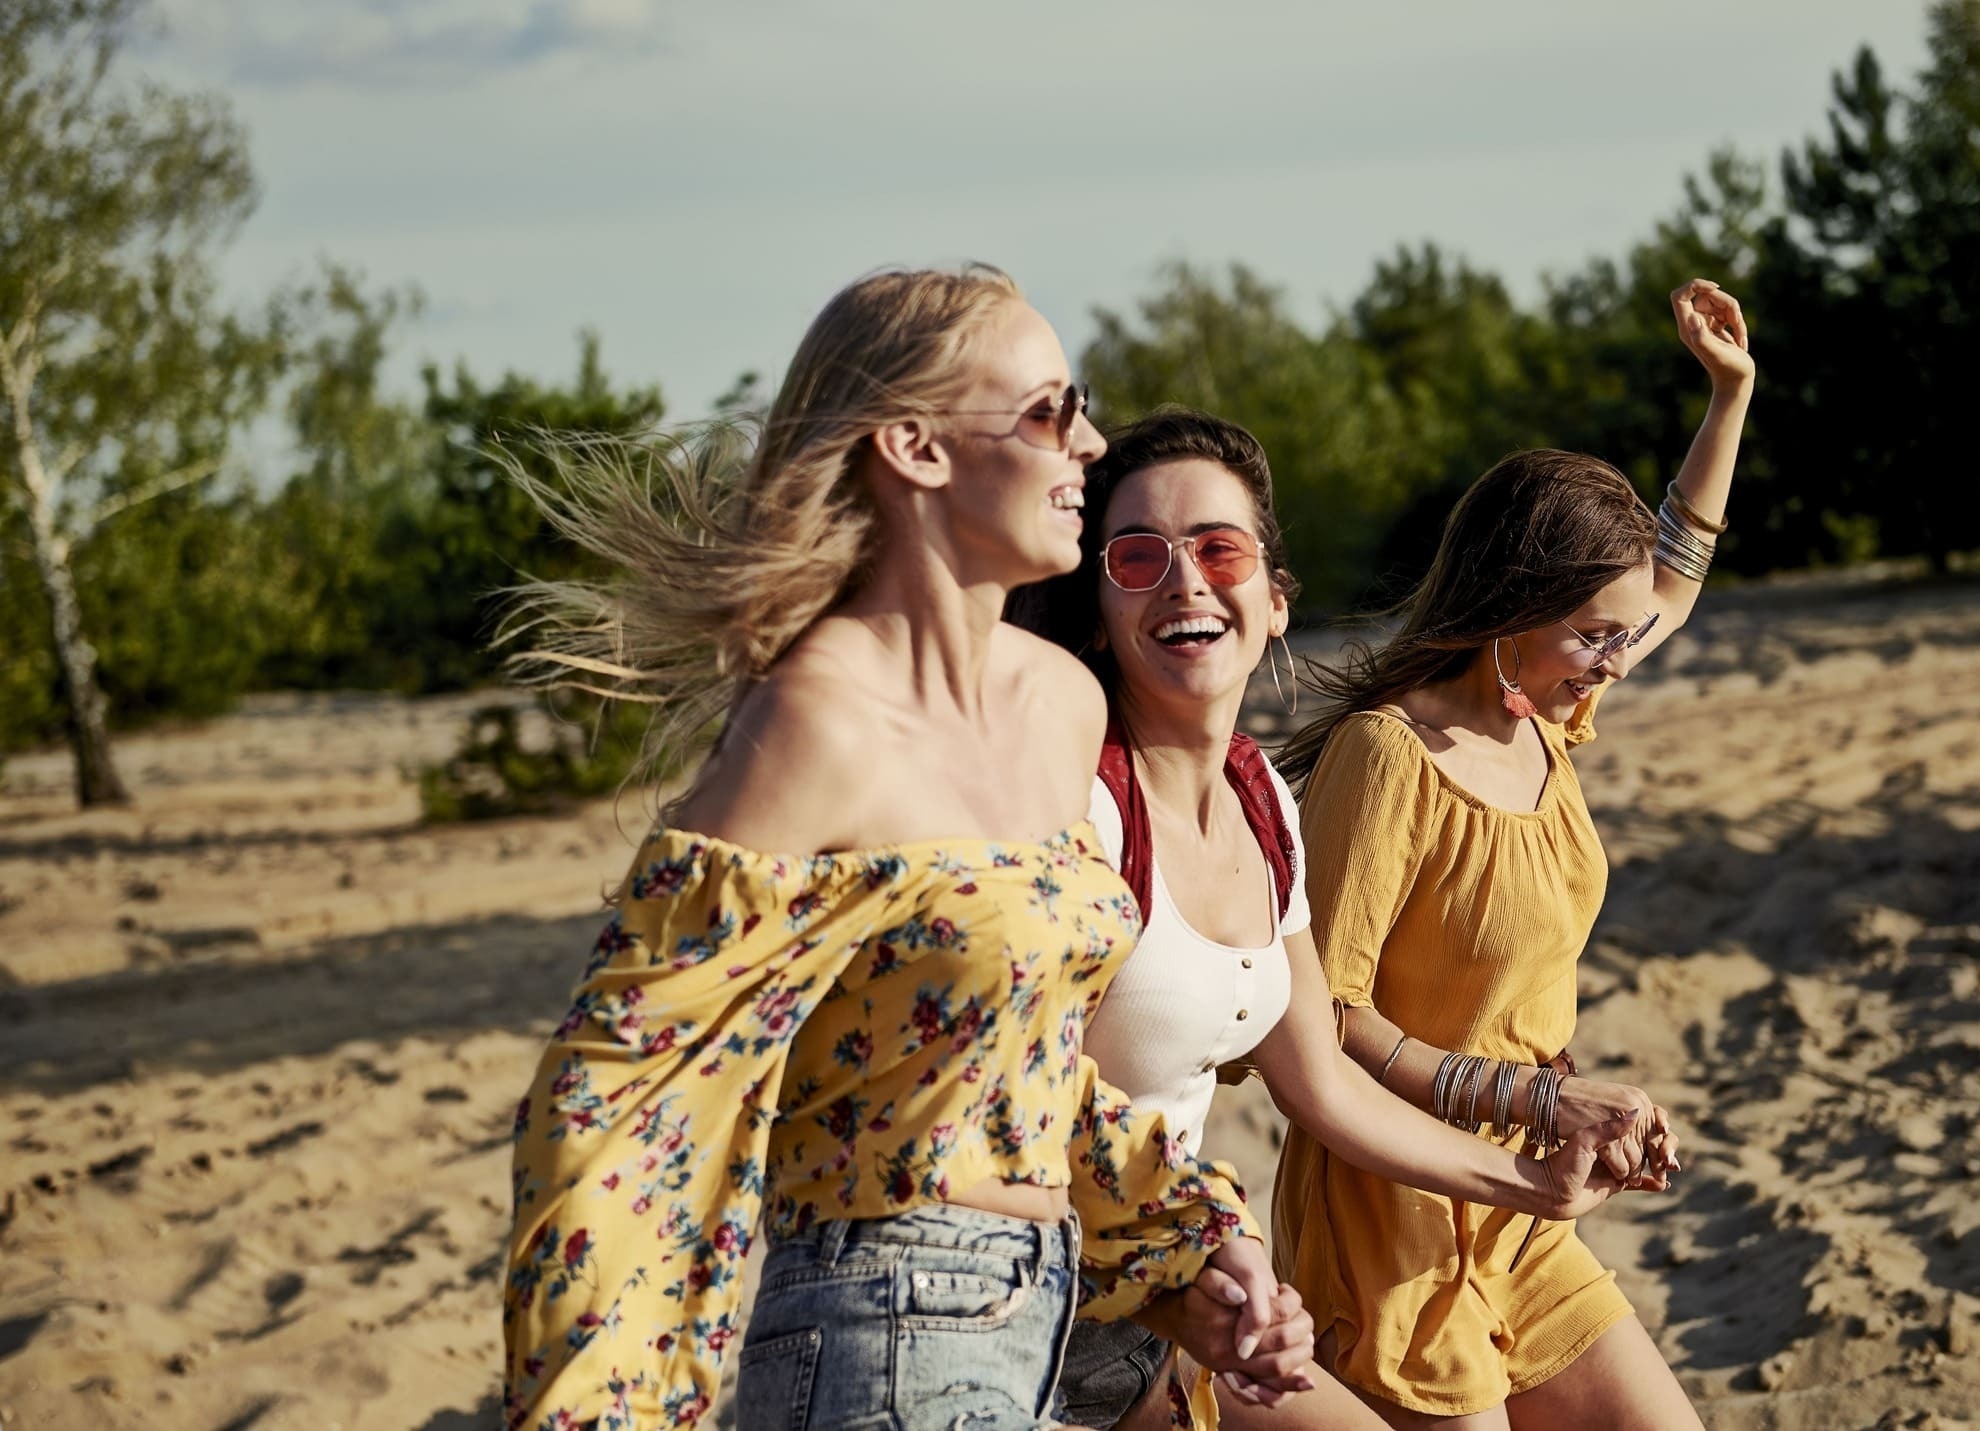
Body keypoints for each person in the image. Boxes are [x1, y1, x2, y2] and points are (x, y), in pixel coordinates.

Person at [497, 265, 1316, 1431]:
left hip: (1049, 1312)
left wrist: (1191, 1243)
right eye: (1045, 412)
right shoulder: (817, 719)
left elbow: (1022, 1060)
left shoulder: (1056, 706)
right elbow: (622, 1084)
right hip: (872, 1329)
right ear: (916, 447)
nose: (1084, 443)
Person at [1008, 407, 1656, 1430]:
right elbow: (1019, 1095)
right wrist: (1220, 1235)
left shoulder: (1262, 803)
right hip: (1030, 1313)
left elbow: (1318, 1082)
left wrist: (1534, 1178)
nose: (1183, 579)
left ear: (1273, 602)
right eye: (1136, 558)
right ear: (1096, 609)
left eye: (1217, 549)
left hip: (1179, 1302)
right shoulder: (1068, 805)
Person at [1268, 278, 1753, 1430]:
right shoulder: (1388, 758)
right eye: (1590, 635)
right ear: (1508, 611)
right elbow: (1322, 1018)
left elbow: (1669, 577)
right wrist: (1528, 1097)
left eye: (1618, 634)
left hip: (1528, 1198)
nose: (1615, 662)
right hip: (1389, 1207)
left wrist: (1728, 398)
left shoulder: (1545, 711)